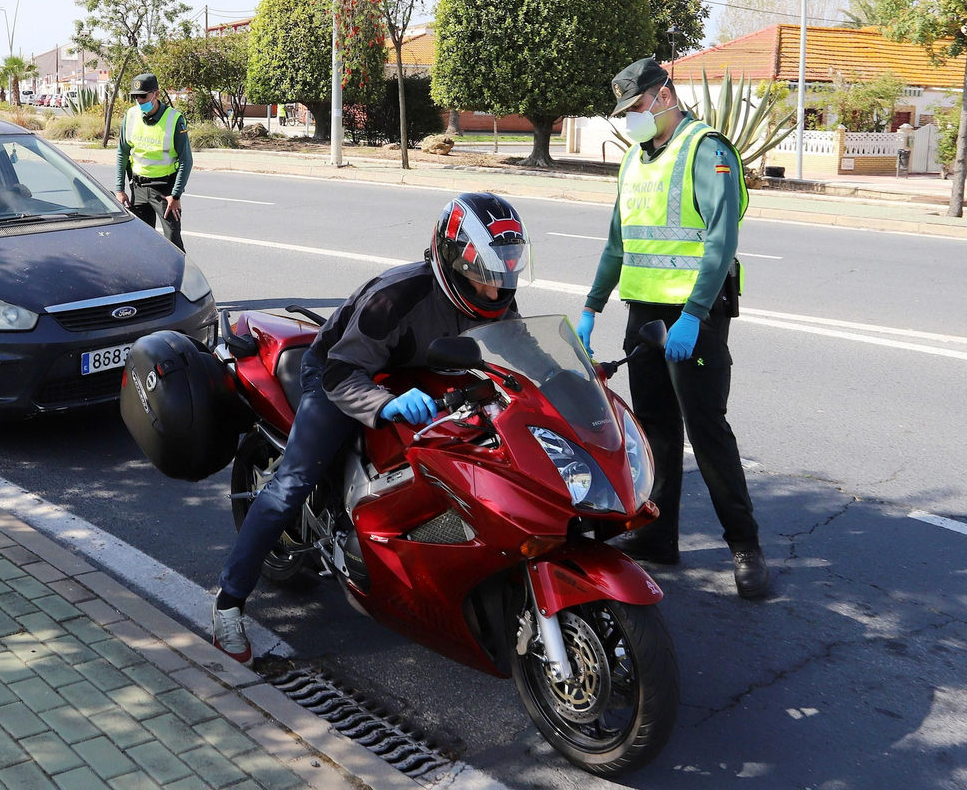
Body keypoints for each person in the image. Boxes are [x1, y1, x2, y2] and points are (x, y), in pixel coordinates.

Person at [212, 192, 532, 662]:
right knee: (292, 483)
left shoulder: (499, 299)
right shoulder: (397, 297)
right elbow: (342, 372)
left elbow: (520, 353)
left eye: (507, 267)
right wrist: (386, 403)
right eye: (487, 272)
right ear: (454, 257)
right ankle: (227, 603)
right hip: (341, 374)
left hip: (419, 379)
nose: (496, 286)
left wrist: (571, 374)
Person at [577, 57, 769, 599]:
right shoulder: (634, 161)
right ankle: (658, 536)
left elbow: (720, 240)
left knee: (707, 431)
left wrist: (693, 316)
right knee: (656, 429)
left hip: (694, 319)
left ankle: (745, 546)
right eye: (625, 111)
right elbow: (619, 243)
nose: (632, 118)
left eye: (636, 106)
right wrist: (592, 307)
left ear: (663, 95)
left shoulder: (706, 150)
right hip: (644, 316)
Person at [115, 72, 192, 250]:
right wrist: (120, 189)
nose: (139, 101)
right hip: (139, 189)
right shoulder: (131, 116)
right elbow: (122, 153)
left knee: (173, 243)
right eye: (135, 97)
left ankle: (182, 277)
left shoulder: (174, 119)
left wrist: (176, 195)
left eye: (143, 96)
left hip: (166, 192)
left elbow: (186, 161)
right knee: (142, 243)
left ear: (156, 94)